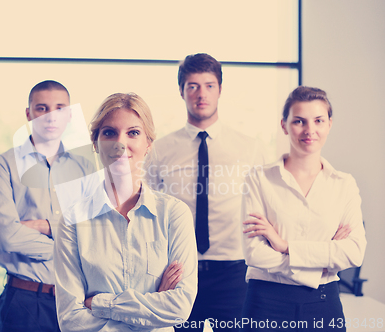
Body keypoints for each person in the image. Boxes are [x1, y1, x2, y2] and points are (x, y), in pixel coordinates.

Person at [54, 93, 198, 331]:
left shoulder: (174, 214)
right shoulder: (73, 220)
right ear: (95, 142)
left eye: (133, 133)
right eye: (109, 133)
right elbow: (71, 320)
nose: (120, 143)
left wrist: (99, 303)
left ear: (148, 143)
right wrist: (150, 308)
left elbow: (179, 308)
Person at [146, 53, 265, 331]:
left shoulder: (249, 148)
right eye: (193, 86)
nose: (202, 94)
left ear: (220, 90)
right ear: (181, 91)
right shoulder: (161, 149)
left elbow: (267, 207)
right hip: (180, 269)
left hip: (234, 270)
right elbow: (148, 210)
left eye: (209, 85)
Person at [241, 86, 367, 331]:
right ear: (284, 125)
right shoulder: (259, 178)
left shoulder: (344, 185)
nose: (310, 130)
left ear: (329, 124)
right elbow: (255, 254)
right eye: (299, 121)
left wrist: (285, 246)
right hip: (266, 303)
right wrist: (324, 259)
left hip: (323, 303)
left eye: (318, 120)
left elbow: (354, 252)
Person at [0, 80, 97, 332]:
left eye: (59, 108)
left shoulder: (85, 168)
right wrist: (71, 245)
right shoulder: (3, 165)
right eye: (41, 108)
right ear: (28, 114)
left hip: (76, 302)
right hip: (24, 301)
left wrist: (45, 226)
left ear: (69, 115)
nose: (50, 117)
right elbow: (9, 238)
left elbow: (95, 235)